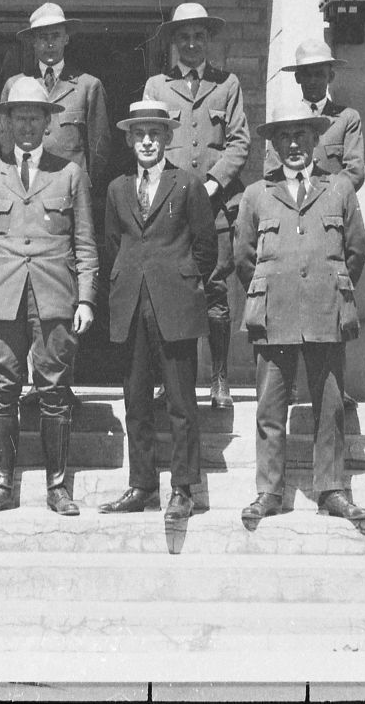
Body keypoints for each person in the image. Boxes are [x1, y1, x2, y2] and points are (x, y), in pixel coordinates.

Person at [234, 96, 365, 535]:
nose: (293, 145)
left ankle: (331, 488)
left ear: (315, 141)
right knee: (269, 408)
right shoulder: (257, 195)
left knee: (329, 405)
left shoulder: (339, 190)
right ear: (273, 145)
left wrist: (329, 287)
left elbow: (356, 250)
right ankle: (269, 491)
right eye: (284, 137)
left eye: (301, 136)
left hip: (325, 312)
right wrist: (272, 289)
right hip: (274, 313)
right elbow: (243, 256)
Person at [0, 75, 98, 516]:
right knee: (3, 388)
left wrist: (85, 299)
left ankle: (57, 486)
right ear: (5, 123)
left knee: (55, 388)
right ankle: (3, 484)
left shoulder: (70, 173)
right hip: (1, 295)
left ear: (47, 123)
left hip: (54, 294)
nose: (25, 125)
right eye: (17, 117)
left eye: (34, 117)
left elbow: (84, 243)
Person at [97, 101, 218, 525]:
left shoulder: (187, 184)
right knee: (135, 401)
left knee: (182, 402)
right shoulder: (117, 189)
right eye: (139, 134)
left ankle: (183, 488)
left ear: (167, 138)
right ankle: (143, 484)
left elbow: (205, 247)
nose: (147, 141)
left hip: (175, 307)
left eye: (155, 134)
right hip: (130, 305)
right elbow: (113, 243)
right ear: (130, 141)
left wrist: (179, 281)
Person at [141, 2, 252, 409]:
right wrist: (175, 188)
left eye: (199, 36)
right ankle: (166, 378)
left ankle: (219, 379)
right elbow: (148, 138)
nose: (191, 44)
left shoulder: (227, 85)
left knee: (216, 290)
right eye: (184, 36)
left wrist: (211, 183)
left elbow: (239, 142)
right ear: (173, 42)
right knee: (167, 292)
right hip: (173, 205)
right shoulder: (157, 86)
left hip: (217, 204)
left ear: (208, 41)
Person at [0, 3, 111, 192]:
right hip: (27, 186)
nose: (49, 44)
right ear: (33, 41)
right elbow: (6, 140)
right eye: (43, 37)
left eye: (56, 36)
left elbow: (100, 148)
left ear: (66, 38)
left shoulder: (88, 86)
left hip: (70, 189)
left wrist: (83, 183)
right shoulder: (15, 85)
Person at [263, 40, 365, 190]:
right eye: (307, 75)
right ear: (298, 78)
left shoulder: (347, 118)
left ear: (330, 77)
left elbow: (355, 172)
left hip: (333, 206)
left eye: (319, 74)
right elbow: (272, 171)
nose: (313, 81)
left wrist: (323, 197)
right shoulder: (284, 119)